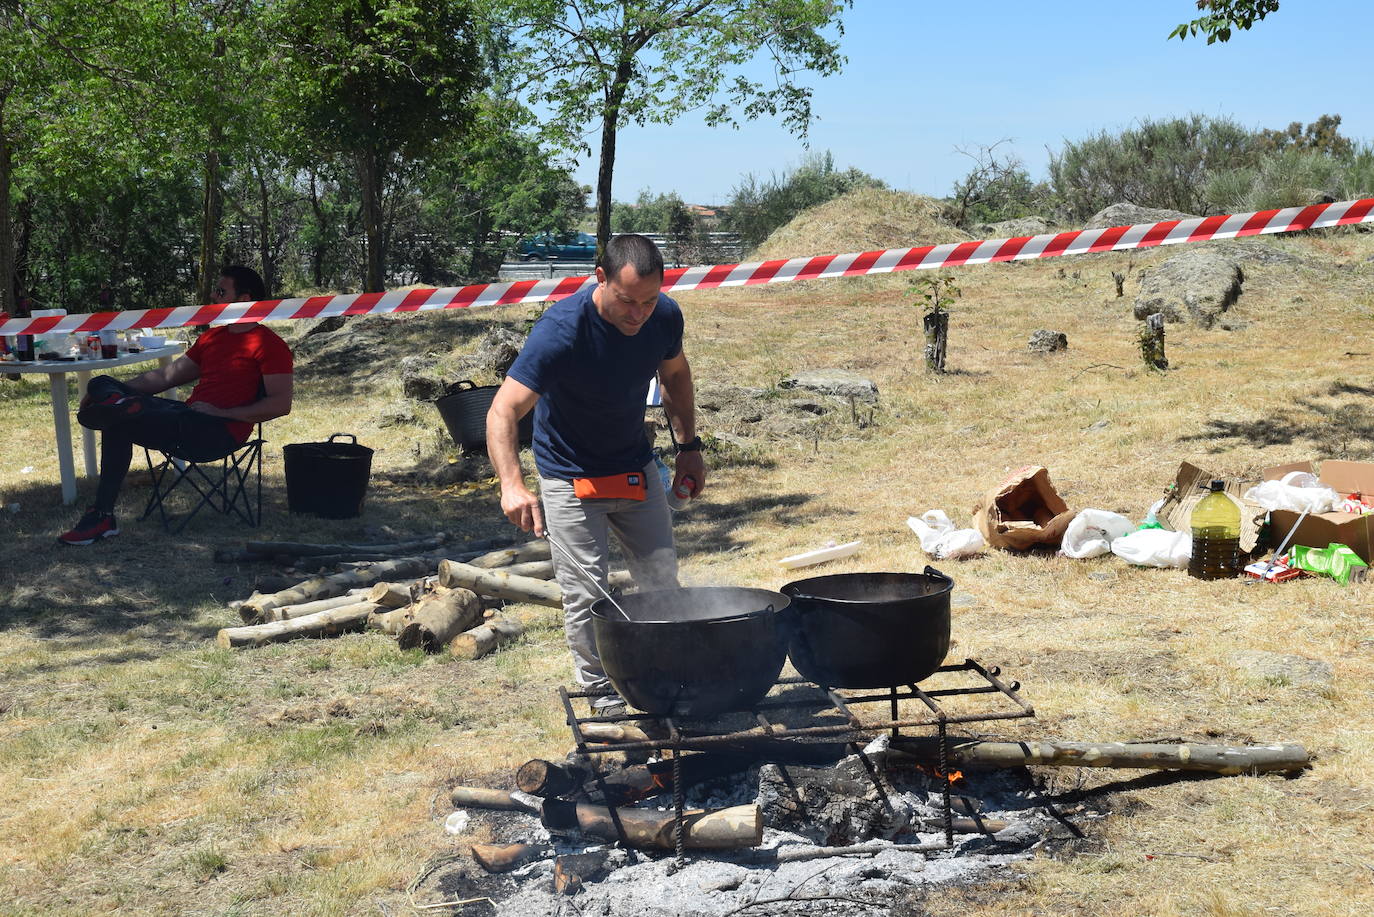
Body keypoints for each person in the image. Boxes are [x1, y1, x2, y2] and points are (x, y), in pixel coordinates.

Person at [487, 234, 706, 713]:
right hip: (568, 472)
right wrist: (512, 484)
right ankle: (600, 692)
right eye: (627, 301)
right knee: (588, 590)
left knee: (661, 577)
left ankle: (668, 675)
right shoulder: (561, 331)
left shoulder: (665, 316)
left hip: (633, 463)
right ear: (600, 278)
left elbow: (675, 377)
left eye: (648, 301)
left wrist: (688, 448)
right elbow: (503, 410)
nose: (638, 314)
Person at [57, 266, 293, 545]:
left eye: (220, 291)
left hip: (218, 431)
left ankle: (102, 517)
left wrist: (223, 413)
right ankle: (114, 402)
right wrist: (108, 390)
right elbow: (165, 377)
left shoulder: (269, 345)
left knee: (117, 420)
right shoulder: (212, 338)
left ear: (244, 298)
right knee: (101, 381)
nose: (213, 296)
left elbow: (280, 404)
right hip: (186, 418)